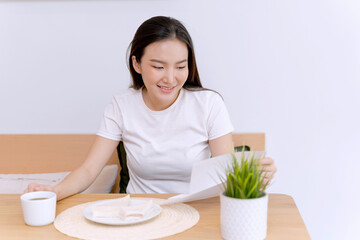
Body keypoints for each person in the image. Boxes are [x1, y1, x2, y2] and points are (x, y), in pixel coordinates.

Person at [26, 16, 277, 200]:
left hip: (196, 212)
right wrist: (54, 191)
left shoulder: (209, 104)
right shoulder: (121, 105)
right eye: (158, 67)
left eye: (180, 66)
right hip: (136, 214)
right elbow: (90, 169)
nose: (170, 78)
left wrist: (256, 177)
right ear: (136, 63)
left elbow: (224, 171)